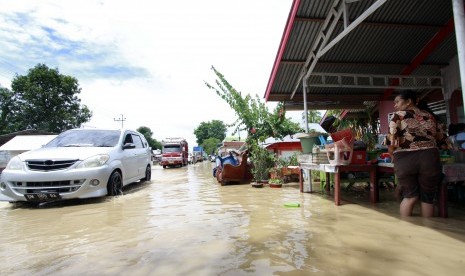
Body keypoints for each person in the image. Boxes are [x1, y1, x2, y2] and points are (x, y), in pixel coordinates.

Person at [387, 90, 448, 217]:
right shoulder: (430, 116)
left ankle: (407, 230)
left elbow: (392, 140)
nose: (395, 105)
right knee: (427, 198)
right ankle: (429, 229)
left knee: (410, 197)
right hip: (430, 158)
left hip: (405, 159)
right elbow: (442, 140)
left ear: (409, 101)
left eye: (397, 102)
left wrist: (392, 154)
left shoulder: (398, 115)